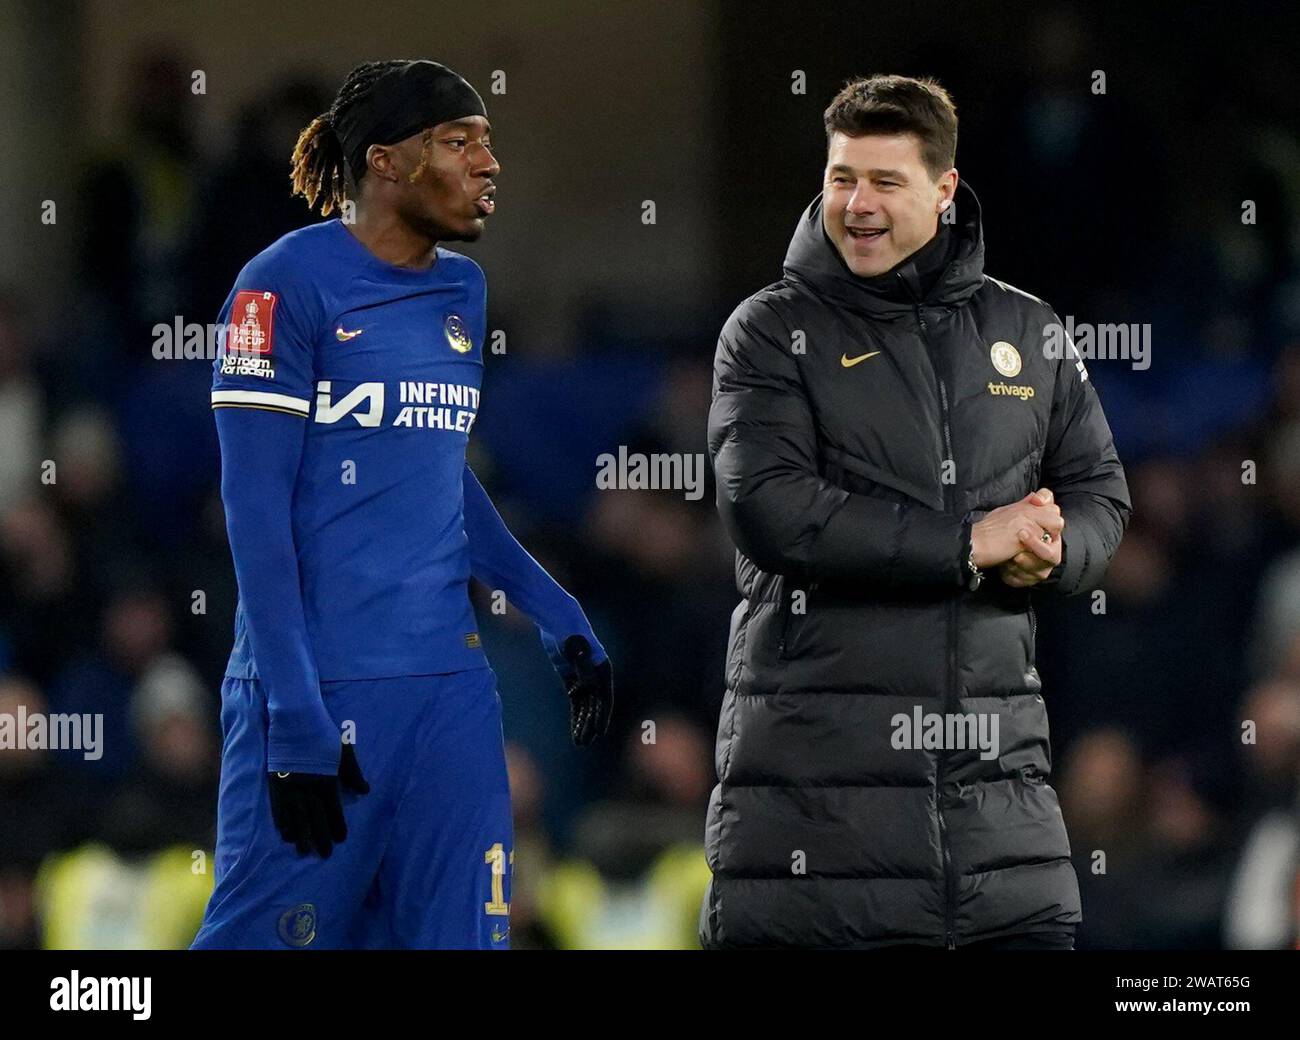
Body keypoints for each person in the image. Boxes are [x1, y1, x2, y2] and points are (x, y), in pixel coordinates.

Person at [700, 74, 1130, 949]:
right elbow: (773, 510)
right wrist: (971, 542)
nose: (855, 205)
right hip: (815, 848)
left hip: (1006, 847)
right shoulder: (769, 331)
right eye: (840, 178)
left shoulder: (1030, 329)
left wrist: (1056, 547)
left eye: (884, 183)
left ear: (945, 190)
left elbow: (1103, 493)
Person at [191, 60, 612, 950]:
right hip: (318, 691)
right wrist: (296, 711)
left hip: (450, 695)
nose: (488, 165)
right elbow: (254, 509)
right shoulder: (277, 289)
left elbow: (437, 473)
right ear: (385, 162)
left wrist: (552, 609)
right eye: (460, 143)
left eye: (488, 144)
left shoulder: (462, 290)